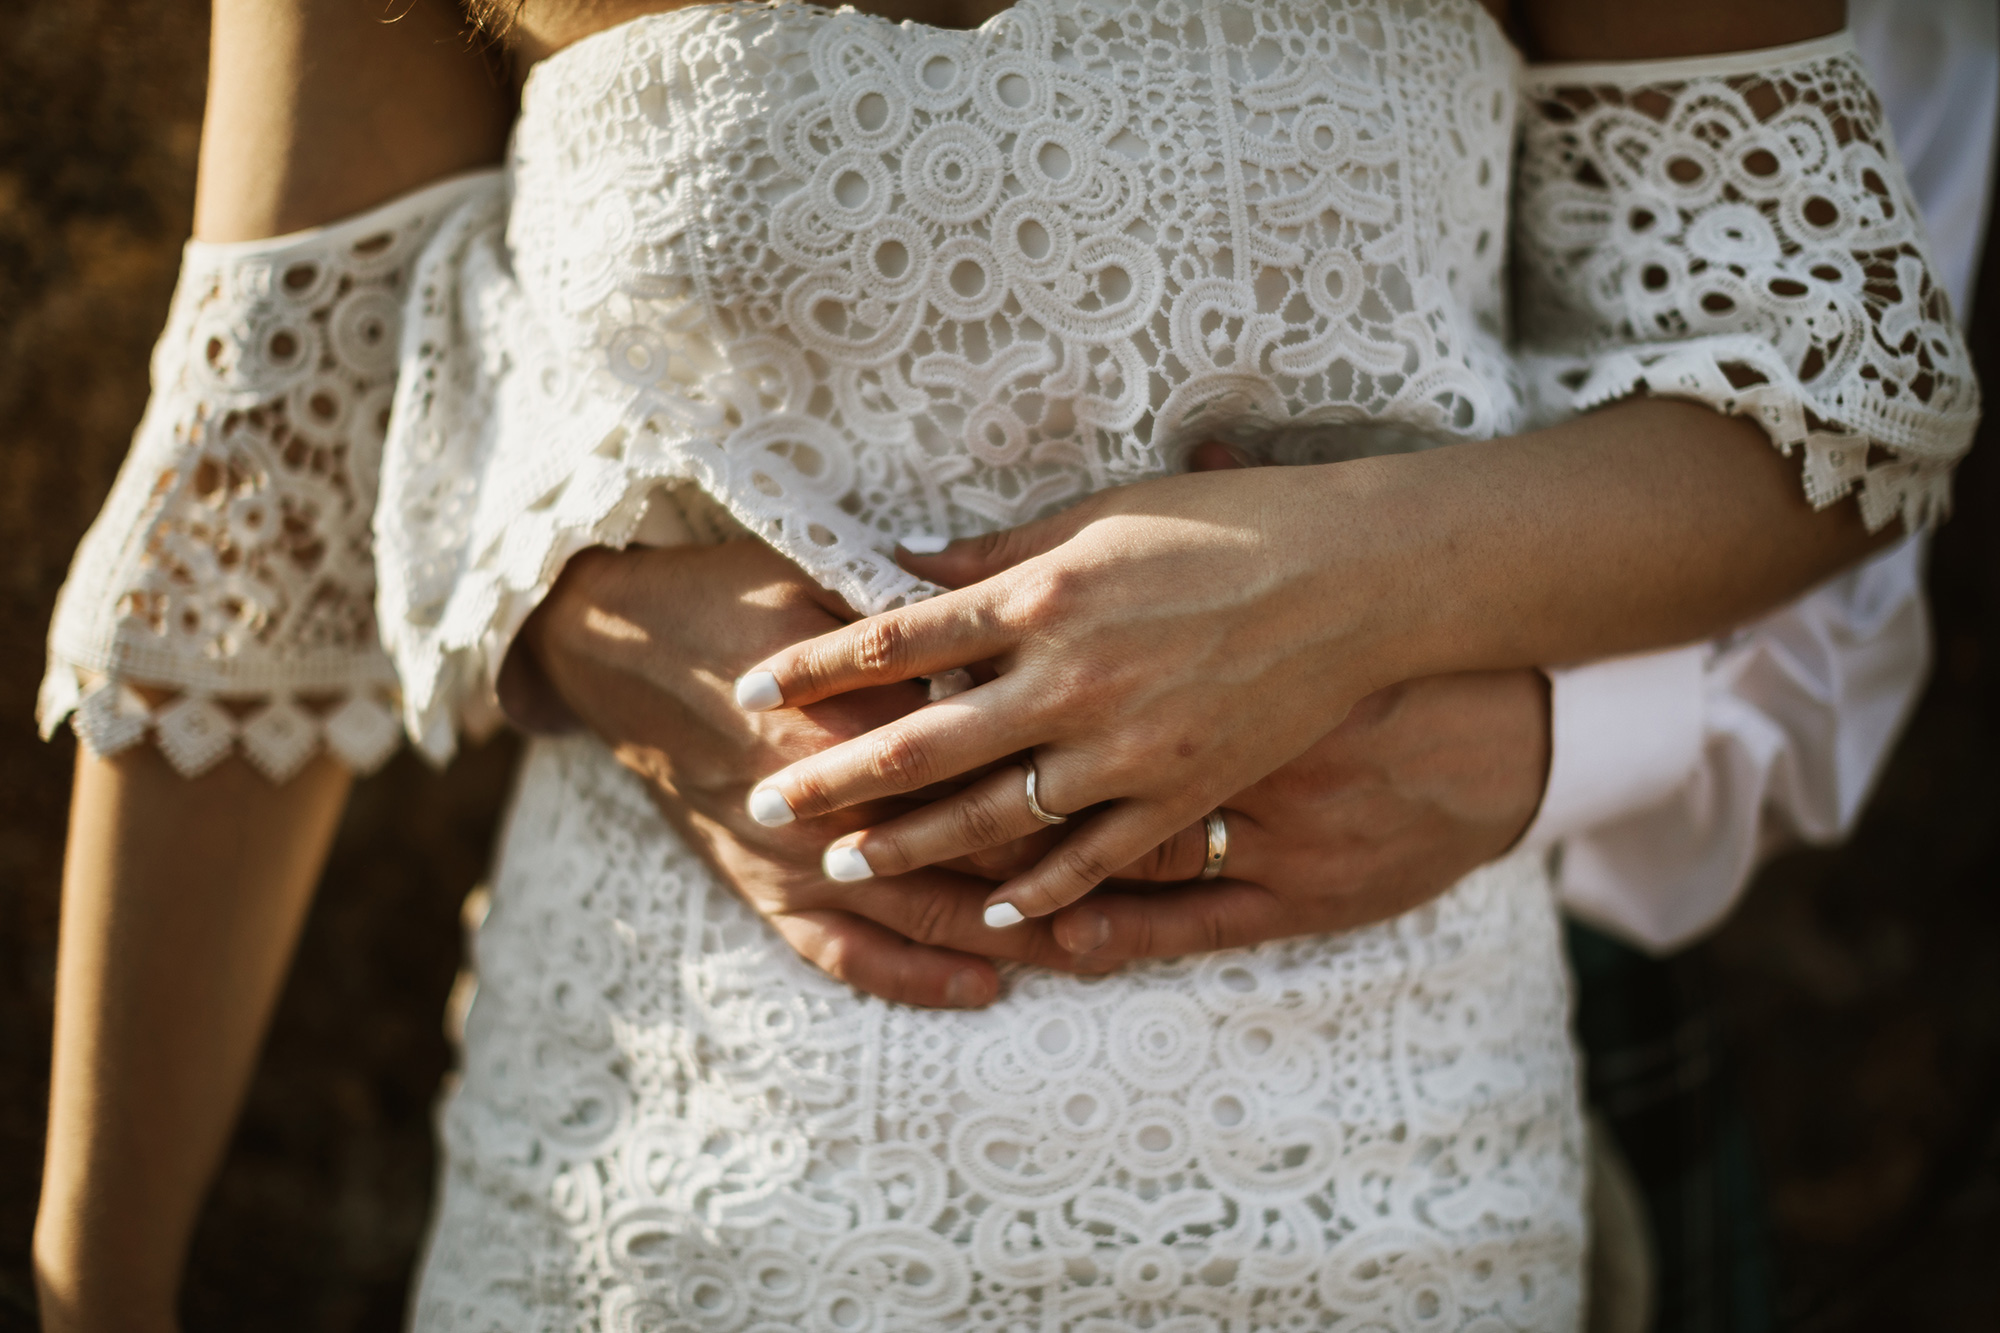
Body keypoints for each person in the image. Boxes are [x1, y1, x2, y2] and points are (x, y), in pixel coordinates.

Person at [31, 3, 1978, 1331]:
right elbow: (254, 518)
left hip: (1368, 1207)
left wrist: (1348, 581)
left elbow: (1836, 382)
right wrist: (87, 1291)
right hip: (669, 1195)